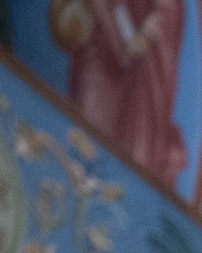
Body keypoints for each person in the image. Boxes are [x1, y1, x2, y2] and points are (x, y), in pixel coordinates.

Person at [58, 0, 187, 187]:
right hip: (98, 52)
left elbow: (167, 12)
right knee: (90, 128)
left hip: (134, 71)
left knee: (128, 141)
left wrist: (142, 33)